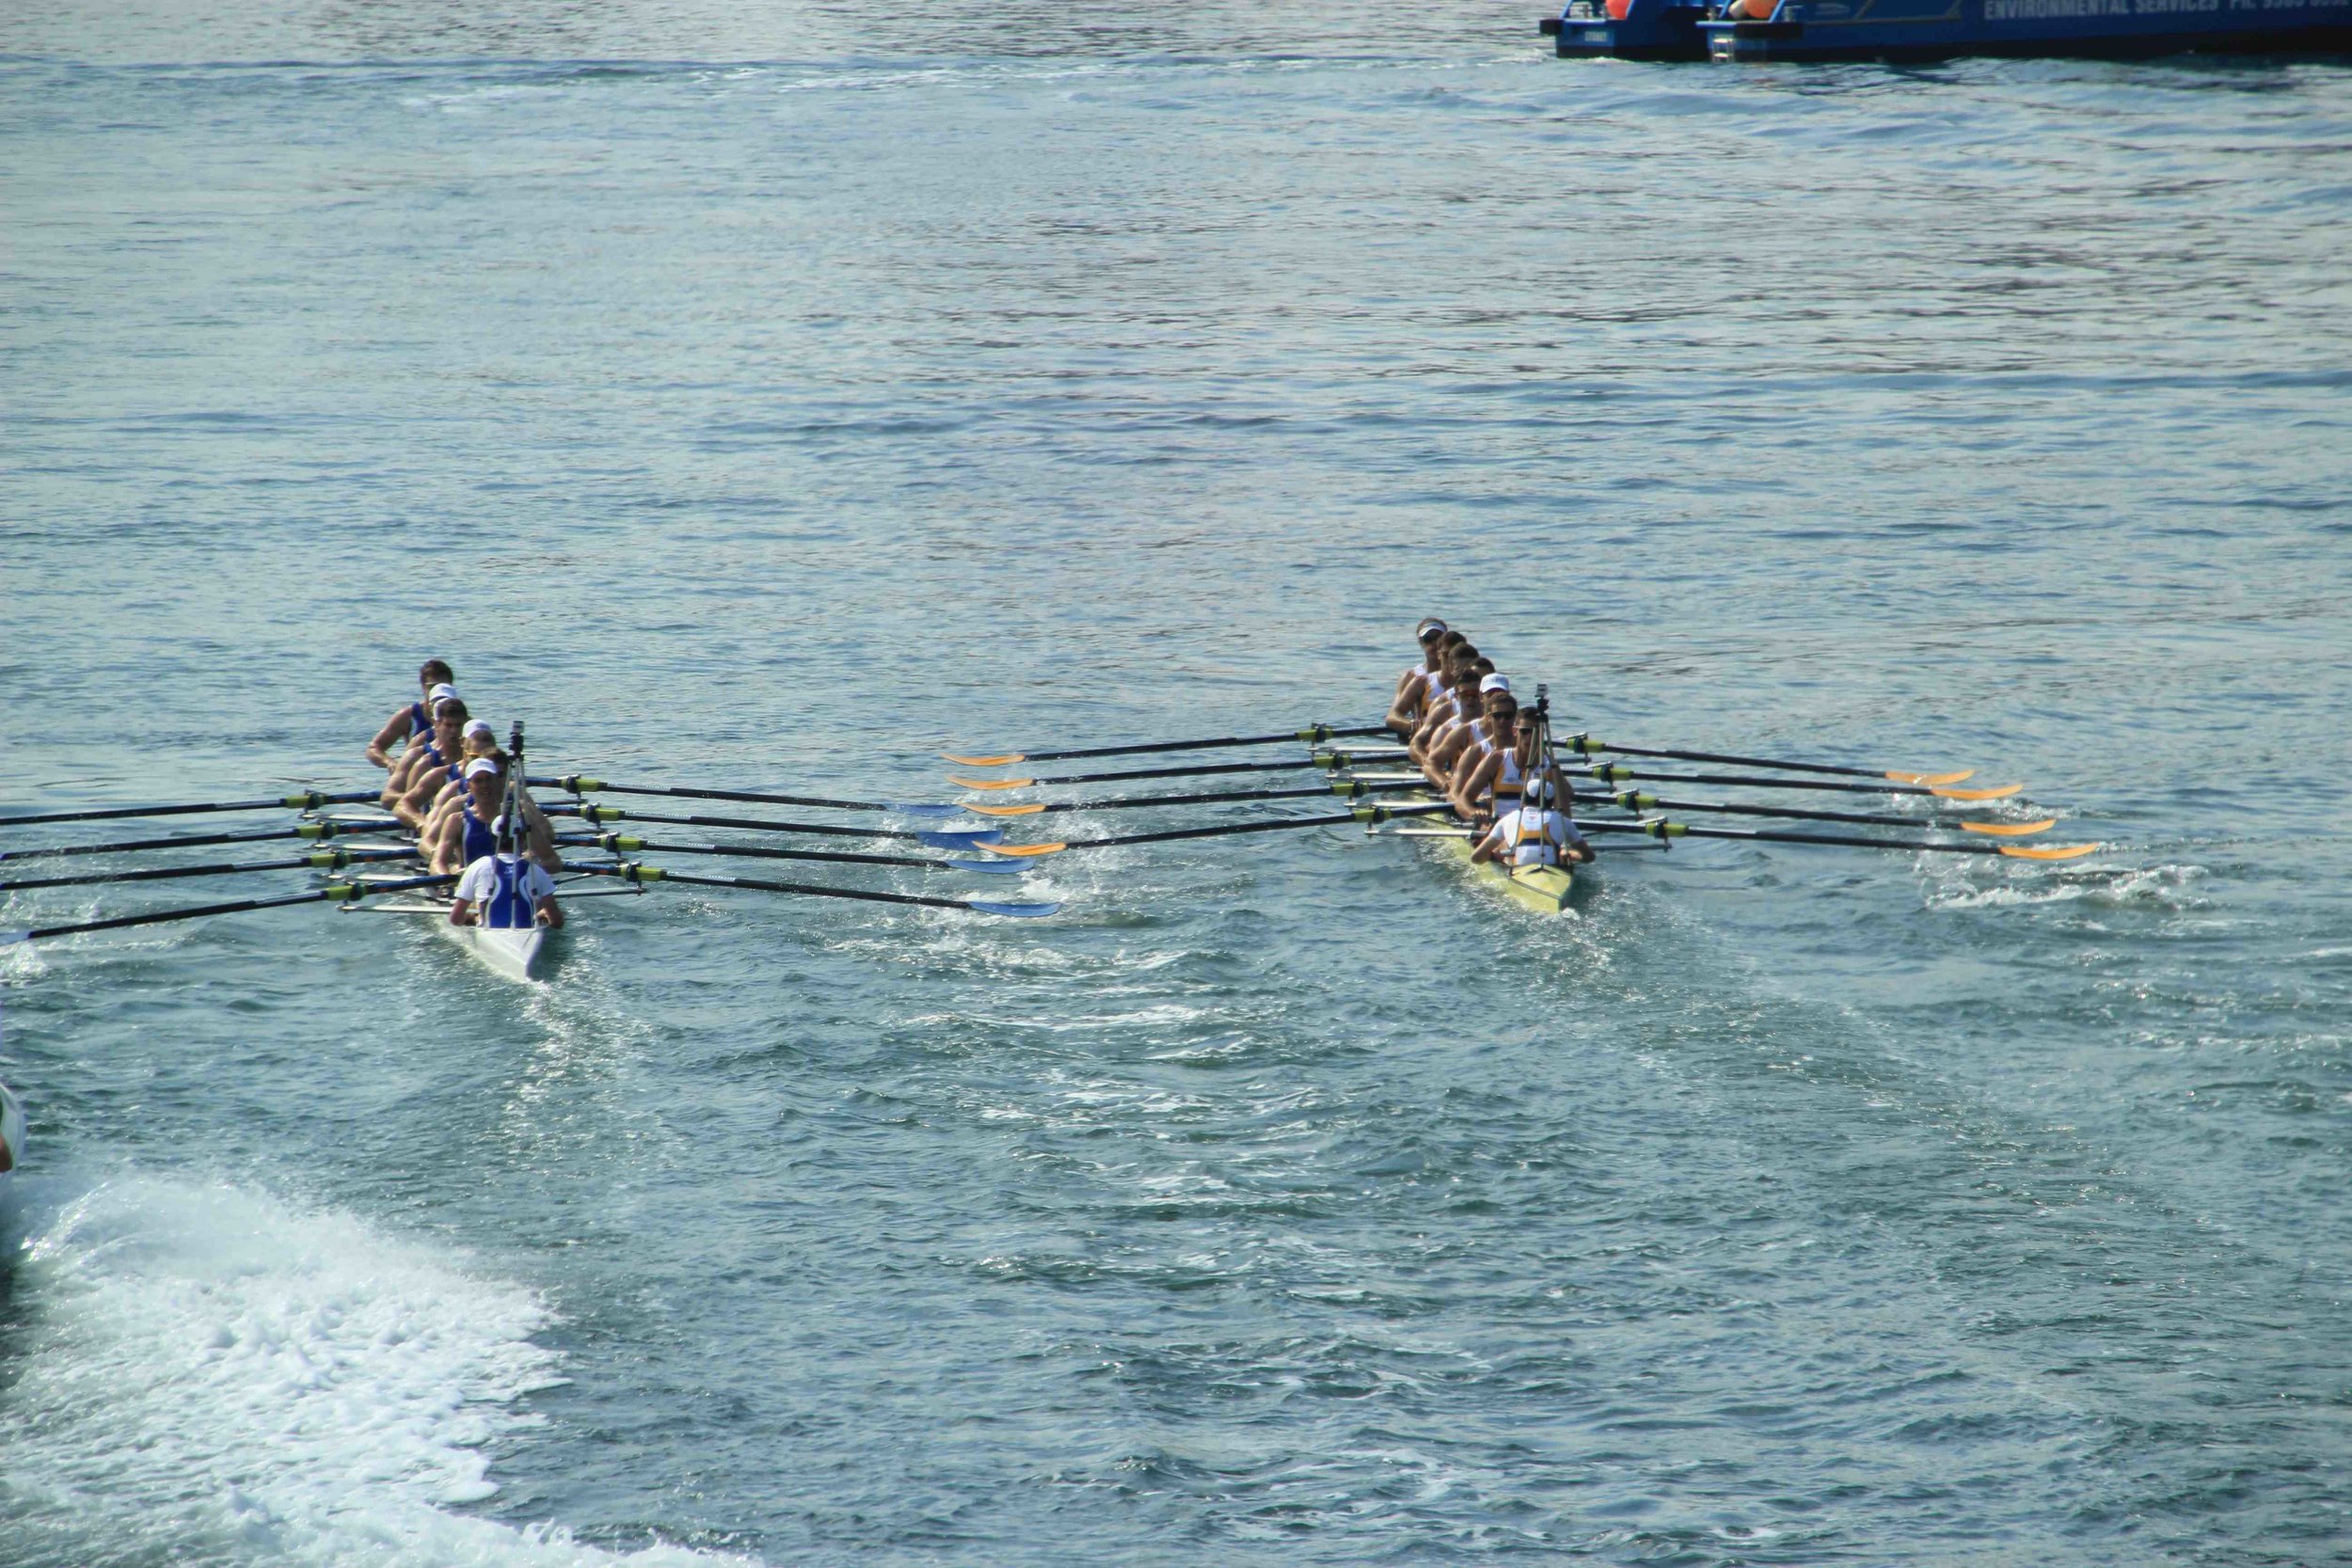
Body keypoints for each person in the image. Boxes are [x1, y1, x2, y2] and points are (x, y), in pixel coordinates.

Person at [1471, 775, 1594, 868]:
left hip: (1519, 871)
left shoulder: (1507, 819)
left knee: (1504, 853)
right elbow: (1589, 857)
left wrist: (1493, 857)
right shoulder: (1564, 821)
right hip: (1554, 871)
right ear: (1552, 802)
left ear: (1523, 798)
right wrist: (1571, 854)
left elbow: (1476, 858)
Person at [367, 660, 454, 770]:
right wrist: (389, 762)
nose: (438, 691)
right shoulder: (408, 716)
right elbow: (374, 748)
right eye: (432, 687)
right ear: (423, 687)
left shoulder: (462, 718)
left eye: (443, 686)